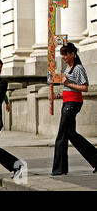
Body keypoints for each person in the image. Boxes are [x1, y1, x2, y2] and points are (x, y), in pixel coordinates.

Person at [51, 42, 97, 176]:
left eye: (66, 54)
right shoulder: (67, 69)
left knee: (61, 136)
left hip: (73, 104)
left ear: (73, 54)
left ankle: (59, 169)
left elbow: (85, 87)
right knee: (71, 135)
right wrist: (57, 95)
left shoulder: (78, 68)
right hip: (67, 102)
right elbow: (68, 89)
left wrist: (68, 83)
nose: (64, 57)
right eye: (62, 55)